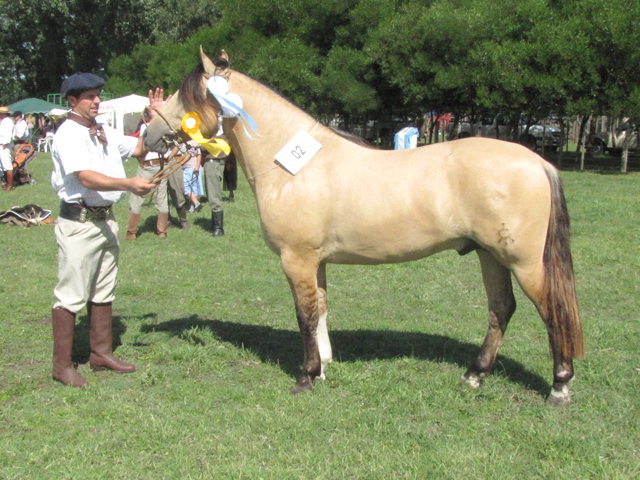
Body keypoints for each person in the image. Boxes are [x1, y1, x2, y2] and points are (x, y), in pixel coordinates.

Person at [50, 72, 167, 387]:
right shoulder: (68, 133)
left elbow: (140, 148)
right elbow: (85, 177)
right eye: (89, 96)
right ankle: (62, 366)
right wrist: (128, 183)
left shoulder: (102, 130)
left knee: (104, 289)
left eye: (98, 94)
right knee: (71, 294)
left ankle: (100, 354)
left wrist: (153, 118)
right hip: (78, 223)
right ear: (72, 101)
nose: (97, 101)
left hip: (105, 221)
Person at [125, 113, 170, 240]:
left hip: (149, 165)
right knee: (161, 198)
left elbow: (141, 146)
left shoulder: (147, 127)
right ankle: (162, 232)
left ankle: (131, 233)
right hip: (161, 164)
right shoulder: (166, 127)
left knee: (137, 198)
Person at [203, 134, 229, 236]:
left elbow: (206, 146)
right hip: (214, 162)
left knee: (214, 195)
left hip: (213, 162)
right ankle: (214, 224)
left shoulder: (218, 135)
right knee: (212, 194)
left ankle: (218, 228)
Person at [183, 140, 204, 212]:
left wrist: (197, 166)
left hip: (193, 167)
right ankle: (196, 203)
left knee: (195, 187)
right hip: (184, 168)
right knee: (185, 185)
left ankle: (193, 206)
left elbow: (199, 155)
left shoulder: (194, 142)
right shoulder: (180, 143)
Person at [0, 106, 14, 191]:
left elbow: (7, 135)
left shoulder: (7, 121)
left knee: (7, 165)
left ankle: (10, 185)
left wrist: (4, 144)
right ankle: (6, 183)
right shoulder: (3, 121)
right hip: (2, 144)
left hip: (4, 145)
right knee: (3, 165)